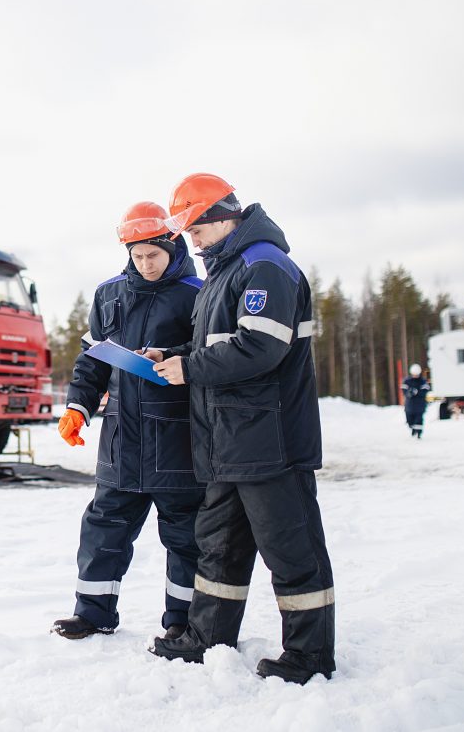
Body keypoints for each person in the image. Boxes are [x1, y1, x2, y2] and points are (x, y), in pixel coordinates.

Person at [144, 174, 336, 684]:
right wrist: (174, 355)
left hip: (270, 441)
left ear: (220, 217)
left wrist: (190, 368)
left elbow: (260, 348)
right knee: (218, 544)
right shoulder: (225, 273)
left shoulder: (265, 266)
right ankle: (207, 637)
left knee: (290, 549)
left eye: (194, 228)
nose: (190, 240)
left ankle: (309, 655)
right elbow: (216, 345)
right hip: (228, 442)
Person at [51, 201, 206, 644]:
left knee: (184, 536)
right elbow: (92, 361)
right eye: (137, 256)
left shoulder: (197, 292)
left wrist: (172, 357)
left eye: (153, 255)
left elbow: (207, 357)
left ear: (171, 245)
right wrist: (77, 408)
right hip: (122, 436)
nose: (145, 264)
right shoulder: (109, 293)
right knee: (103, 527)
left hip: (176, 436)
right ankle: (92, 613)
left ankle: (182, 620)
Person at [402, 363, 430, 438]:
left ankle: (419, 433)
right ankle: (413, 429)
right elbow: (404, 390)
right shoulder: (407, 381)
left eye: (416, 374)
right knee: (409, 419)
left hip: (420, 404)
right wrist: (409, 393)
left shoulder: (423, 381)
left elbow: (425, 390)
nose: (415, 376)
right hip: (409, 405)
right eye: (414, 374)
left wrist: (417, 392)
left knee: (419, 419)